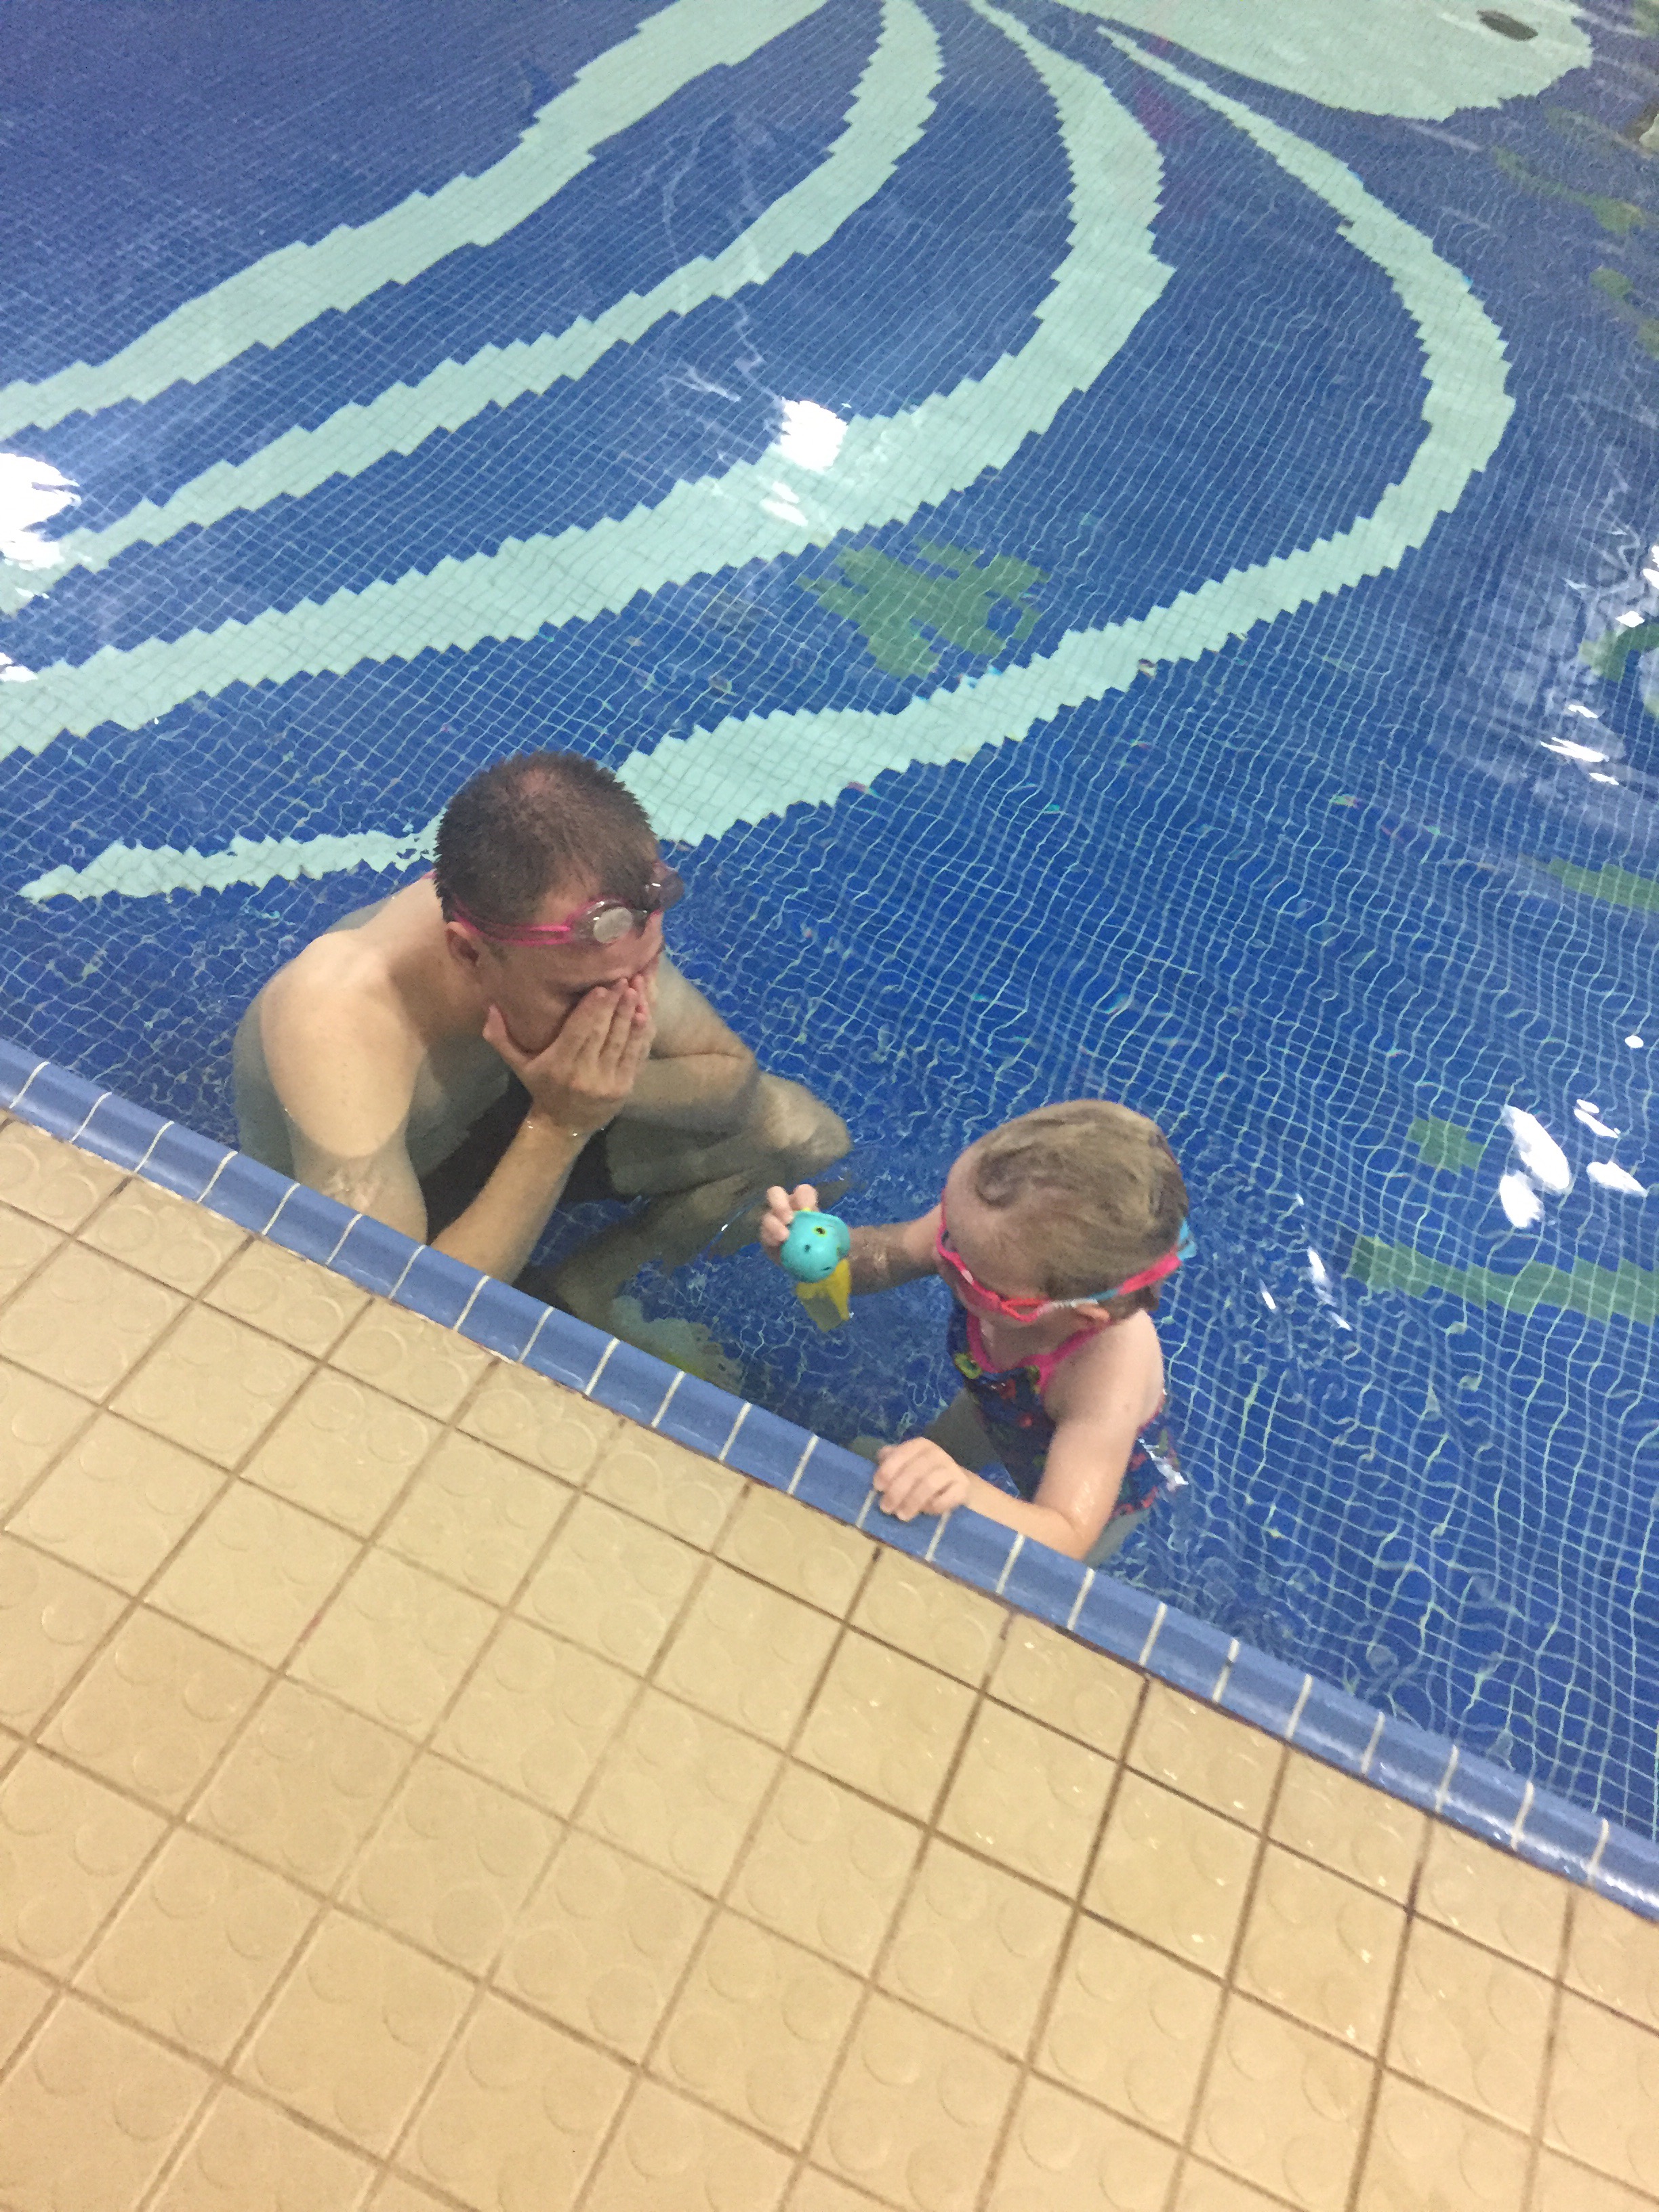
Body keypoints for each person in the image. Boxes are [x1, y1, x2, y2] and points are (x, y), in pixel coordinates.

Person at [234, 752, 848, 1337]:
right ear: (469, 953)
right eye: (584, 995)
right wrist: (560, 1123)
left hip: (505, 1111)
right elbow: (386, 1312)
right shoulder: (336, 1024)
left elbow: (732, 1079)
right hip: (400, 1189)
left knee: (801, 1133)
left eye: (646, 968)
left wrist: (608, 1087)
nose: (627, 1007)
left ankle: (585, 1285)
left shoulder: (599, 941)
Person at [760, 1100, 1189, 1564]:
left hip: (1104, 1485)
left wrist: (968, 1491)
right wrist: (822, 1255)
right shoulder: (982, 1240)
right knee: (932, 1457)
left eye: (973, 1276)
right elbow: (884, 1259)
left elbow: (1064, 1535)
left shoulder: (1107, 1376)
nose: (941, 1257)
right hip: (1000, 1399)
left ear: (1081, 1316)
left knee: (1037, 1574)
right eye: (949, 1229)